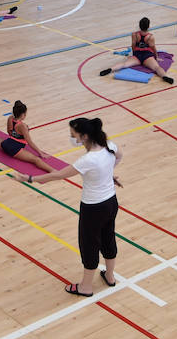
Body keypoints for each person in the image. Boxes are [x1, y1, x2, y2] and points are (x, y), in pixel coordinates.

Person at [11, 117, 122, 296]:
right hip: (111, 203)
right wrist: (108, 175)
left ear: (84, 136)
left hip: (93, 208)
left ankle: (85, 287)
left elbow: (58, 175)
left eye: (73, 134)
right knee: (108, 237)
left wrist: (30, 178)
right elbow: (119, 157)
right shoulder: (110, 145)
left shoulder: (87, 160)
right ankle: (110, 277)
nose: (71, 137)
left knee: (89, 245)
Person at [0, 100, 56, 173]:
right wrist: (40, 153)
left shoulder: (10, 118)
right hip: (15, 149)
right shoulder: (22, 126)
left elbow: (9, 132)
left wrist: (16, 135)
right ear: (23, 114)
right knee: (36, 160)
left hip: (6, 144)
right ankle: (52, 171)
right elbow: (29, 142)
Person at [98, 17, 174, 84]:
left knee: (124, 64)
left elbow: (133, 45)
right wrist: (156, 57)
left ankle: (110, 69)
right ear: (148, 26)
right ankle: (164, 76)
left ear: (139, 25)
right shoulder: (150, 37)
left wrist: (133, 55)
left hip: (137, 55)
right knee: (157, 68)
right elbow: (153, 48)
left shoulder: (134, 34)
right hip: (147, 56)